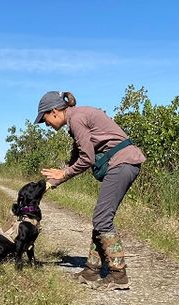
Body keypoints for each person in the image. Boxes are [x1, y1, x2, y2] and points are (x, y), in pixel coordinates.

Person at [37, 91, 145, 289]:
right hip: (123, 163)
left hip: (122, 163)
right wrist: (53, 182)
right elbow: (76, 158)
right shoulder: (77, 118)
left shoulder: (77, 119)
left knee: (102, 218)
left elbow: (87, 159)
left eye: (45, 120)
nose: (47, 125)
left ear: (54, 112)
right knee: (100, 217)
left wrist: (64, 174)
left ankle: (118, 274)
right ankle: (91, 271)